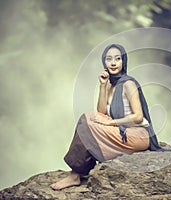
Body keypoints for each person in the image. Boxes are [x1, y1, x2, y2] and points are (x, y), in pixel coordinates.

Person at [50, 44, 162, 190]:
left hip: (139, 134)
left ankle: (76, 174)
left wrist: (112, 123)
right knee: (88, 118)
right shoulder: (110, 84)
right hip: (123, 131)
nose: (113, 63)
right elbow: (101, 112)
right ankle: (80, 171)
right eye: (109, 59)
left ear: (124, 61)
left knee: (87, 124)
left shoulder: (129, 84)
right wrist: (103, 85)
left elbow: (138, 117)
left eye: (117, 59)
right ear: (104, 62)